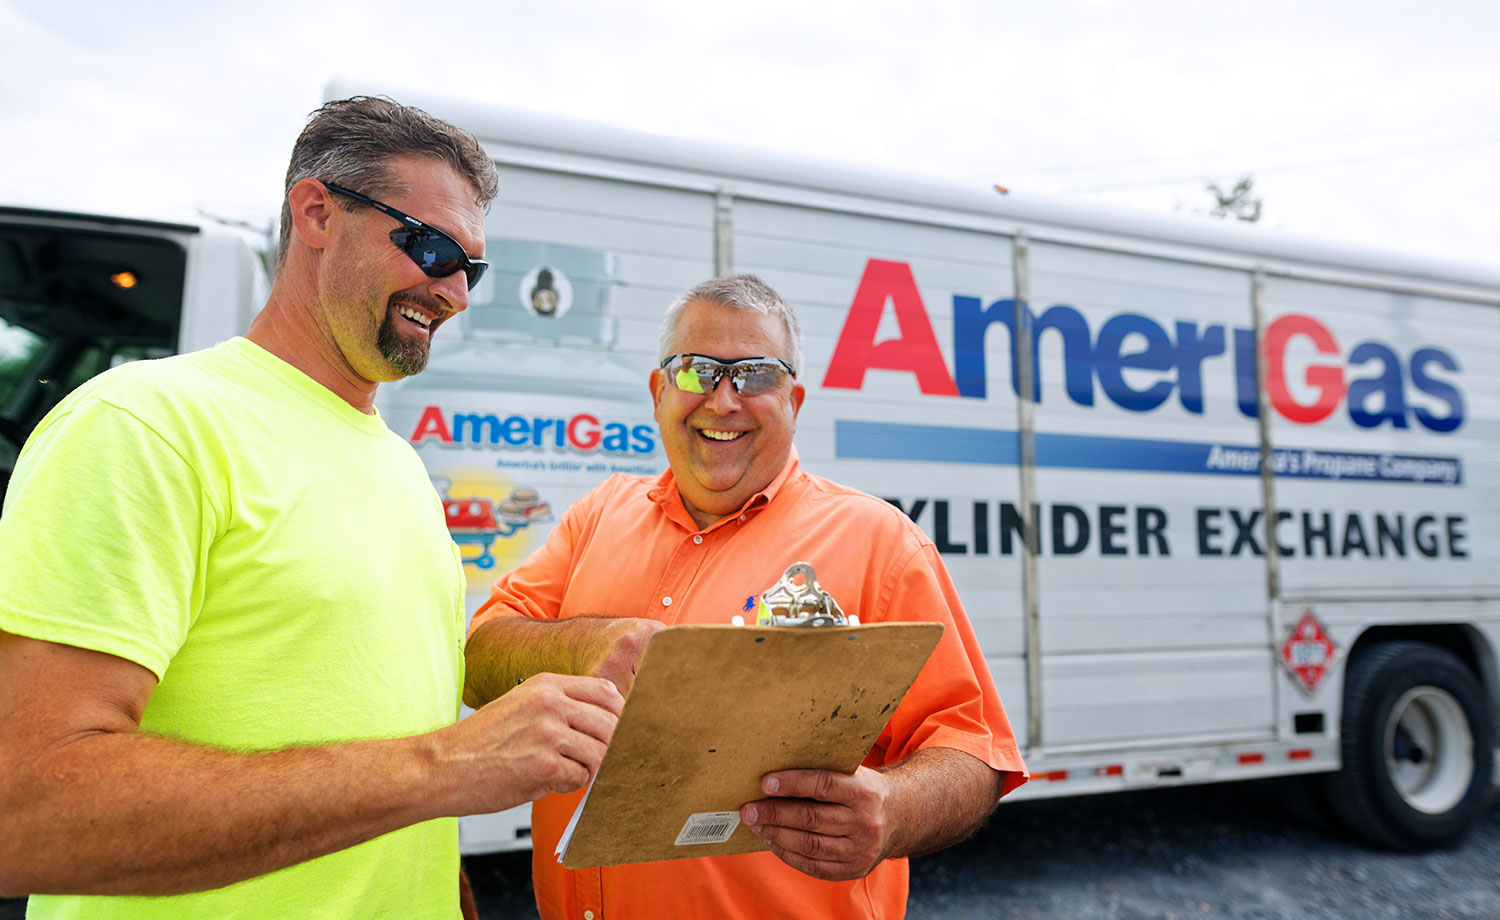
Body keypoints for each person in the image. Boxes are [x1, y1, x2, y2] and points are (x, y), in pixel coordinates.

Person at [0, 96, 623, 919]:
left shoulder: (395, 464)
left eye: (470, 268)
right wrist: (452, 764)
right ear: (318, 211)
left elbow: (389, 764)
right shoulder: (147, 427)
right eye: (431, 248)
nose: (453, 292)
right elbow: (25, 814)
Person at [463, 274, 1028, 920]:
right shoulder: (598, 517)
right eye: (697, 371)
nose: (724, 400)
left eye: (756, 375)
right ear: (658, 392)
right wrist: (585, 643)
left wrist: (892, 811)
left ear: (796, 400)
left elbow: (976, 754)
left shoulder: (880, 543)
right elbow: (479, 656)